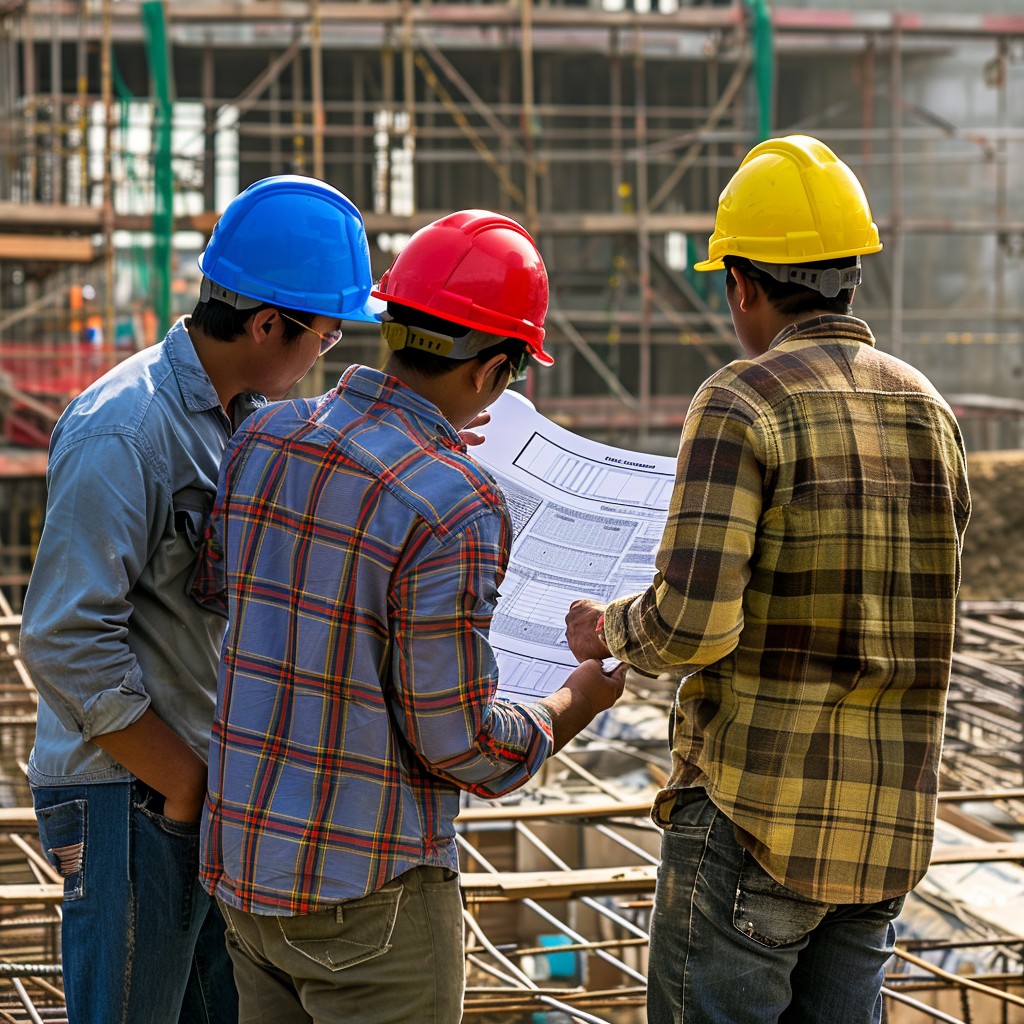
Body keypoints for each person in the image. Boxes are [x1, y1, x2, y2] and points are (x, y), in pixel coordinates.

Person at [565, 135, 971, 1024]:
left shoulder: (742, 399)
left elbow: (693, 626)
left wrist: (610, 629)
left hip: (756, 825)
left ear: (741, 283)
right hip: (883, 840)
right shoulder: (930, 411)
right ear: (850, 274)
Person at [192, 209, 627, 1024]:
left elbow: (225, 586)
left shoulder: (264, 434)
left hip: (246, 875)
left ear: (392, 323)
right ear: (494, 368)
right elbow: (459, 741)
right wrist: (574, 702)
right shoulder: (456, 504)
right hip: (369, 902)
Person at [19, 174, 382, 1024]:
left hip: (199, 792)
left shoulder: (239, 419)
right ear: (266, 325)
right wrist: (182, 786)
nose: (323, 353)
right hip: (127, 791)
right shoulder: (126, 428)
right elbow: (64, 638)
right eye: (326, 335)